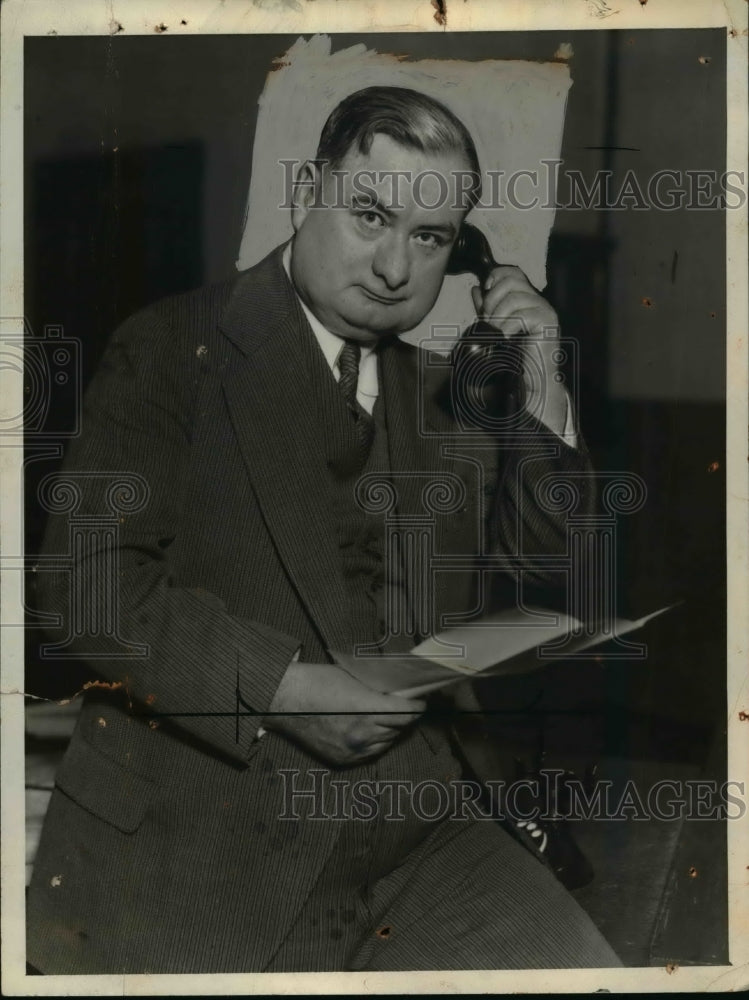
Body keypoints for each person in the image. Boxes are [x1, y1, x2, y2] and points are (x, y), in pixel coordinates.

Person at [27, 86, 621, 973]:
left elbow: (544, 582)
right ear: (307, 190)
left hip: (422, 833)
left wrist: (542, 385)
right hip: (213, 838)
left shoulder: (450, 396)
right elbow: (85, 587)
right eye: (369, 216)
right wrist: (283, 691)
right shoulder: (171, 348)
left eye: (427, 239)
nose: (392, 267)